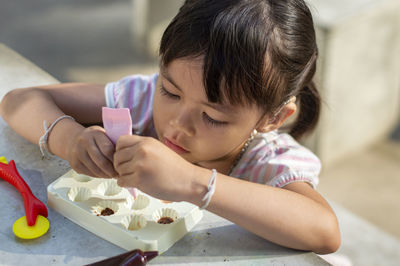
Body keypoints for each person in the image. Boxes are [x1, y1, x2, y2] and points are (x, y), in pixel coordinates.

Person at [0, 0, 340, 254]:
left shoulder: (269, 161)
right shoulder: (143, 101)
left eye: (213, 117)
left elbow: (324, 232)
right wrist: (69, 139)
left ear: (273, 119)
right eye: (171, 91)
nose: (177, 123)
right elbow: (20, 100)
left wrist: (191, 183)